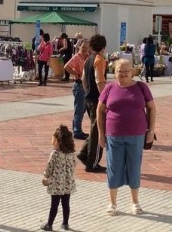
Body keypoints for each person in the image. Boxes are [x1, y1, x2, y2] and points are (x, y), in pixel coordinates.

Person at [97, 59, 156, 216]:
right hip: (113, 135)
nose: (123, 74)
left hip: (137, 134)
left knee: (134, 167)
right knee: (113, 167)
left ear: (133, 71)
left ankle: (135, 202)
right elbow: (100, 111)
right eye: (119, 71)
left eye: (126, 71)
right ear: (114, 72)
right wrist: (101, 134)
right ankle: (112, 203)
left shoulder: (141, 87)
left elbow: (151, 108)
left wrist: (151, 131)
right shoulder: (109, 88)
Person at [76, 34, 107, 173]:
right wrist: (106, 98)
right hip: (97, 100)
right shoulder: (100, 60)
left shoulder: (88, 59)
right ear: (103, 47)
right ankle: (92, 162)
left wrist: (88, 91)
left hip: (89, 98)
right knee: (99, 131)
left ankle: (84, 154)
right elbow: (100, 81)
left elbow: (83, 78)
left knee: (95, 129)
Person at [40, 125, 77, 231]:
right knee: (66, 204)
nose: (51, 140)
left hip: (56, 184)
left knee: (54, 205)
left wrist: (45, 176)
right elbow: (74, 165)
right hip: (68, 183)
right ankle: (65, 223)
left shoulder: (55, 154)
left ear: (57, 141)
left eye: (53, 138)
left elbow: (49, 167)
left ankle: (49, 224)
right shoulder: (72, 153)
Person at [64, 42, 91, 140]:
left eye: (86, 48)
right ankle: (77, 132)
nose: (85, 49)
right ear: (80, 47)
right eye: (83, 47)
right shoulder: (77, 57)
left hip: (85, 86)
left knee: (82, 109)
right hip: (79, 85)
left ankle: (76, 129)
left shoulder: (88, 57)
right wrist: (77, 73)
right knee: (79, 110)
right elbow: (66, 66)